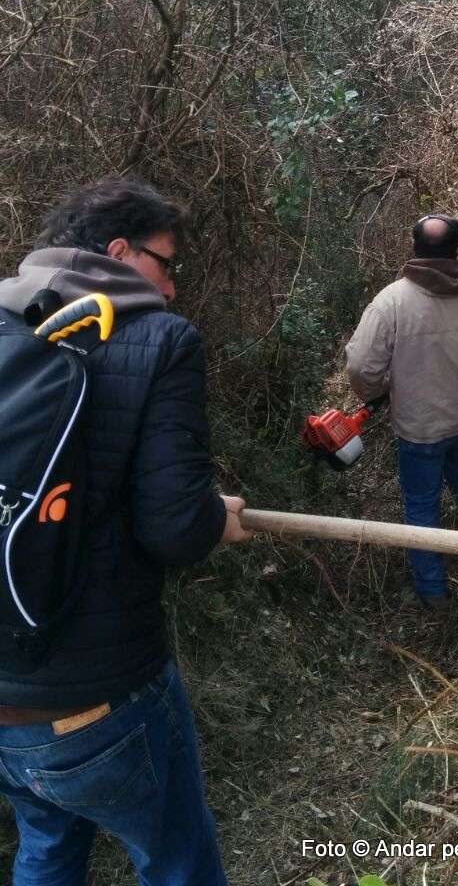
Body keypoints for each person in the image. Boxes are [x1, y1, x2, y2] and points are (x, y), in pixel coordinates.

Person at [0, 177, 251, 885]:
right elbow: (174, 529)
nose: (171, 288)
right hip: (98, 696)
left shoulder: (4, 318)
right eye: (167, 264)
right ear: (118, 251)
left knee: (46, 848)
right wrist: (215, 519)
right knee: (177, 861)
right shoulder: (159, 339)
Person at [345, 214, 458, 611]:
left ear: (414, 247)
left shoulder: (392, 301)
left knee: (422, 504)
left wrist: (379, 393)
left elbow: (360, 367)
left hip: (419, 428)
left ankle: (432, 592)